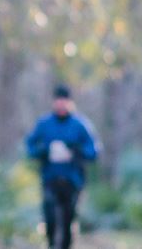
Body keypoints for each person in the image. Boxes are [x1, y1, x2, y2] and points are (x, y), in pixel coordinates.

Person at [25, 85, 98, 249]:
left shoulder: (80, 125)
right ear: (53, 101)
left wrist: (75, 151)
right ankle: (51, 244)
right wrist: (44, 151)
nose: (61, 104)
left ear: (70, 102)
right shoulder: (44, 124)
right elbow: (30, 147)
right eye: (58, 100)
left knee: (68, 220)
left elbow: (93, 151)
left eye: (64, 101)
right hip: (50, 179)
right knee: (50, 218)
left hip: (73, 181)